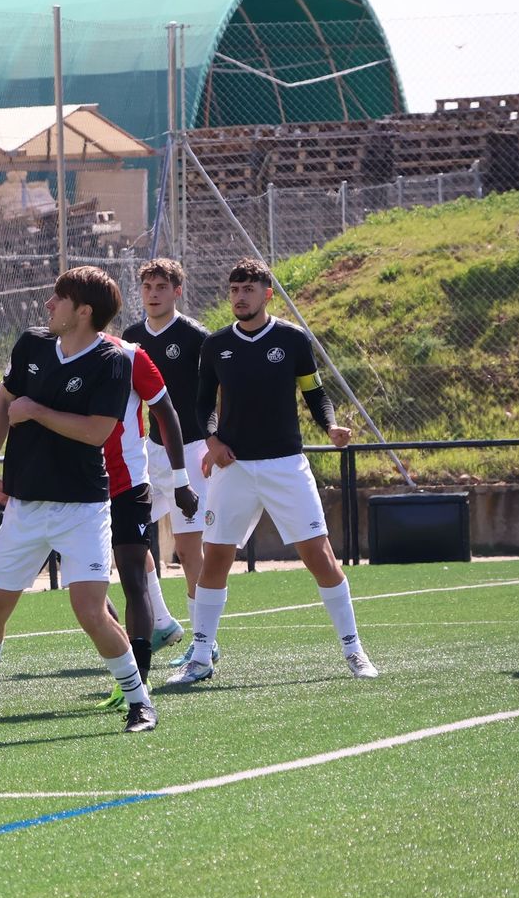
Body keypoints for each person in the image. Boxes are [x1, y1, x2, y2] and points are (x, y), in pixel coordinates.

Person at [0, 266, 160, 737]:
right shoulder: (32, 344)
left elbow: (97, 431)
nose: (48, 305)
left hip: (82, 507)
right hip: (25, 505)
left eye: (59, 298)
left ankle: (140, 702)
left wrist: (37, 412)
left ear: (84, 311)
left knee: (90, 610)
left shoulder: (112, 361)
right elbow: (1, 401)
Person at [169, 258, 378, 685]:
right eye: (234, 289)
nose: (240, 296)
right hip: (234, 469)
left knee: (319, 556)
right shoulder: (215, 345)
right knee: (216, 560)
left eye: (248, 289)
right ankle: (202, 657)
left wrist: (330, 425)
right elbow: (203, 403)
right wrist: (212, 440)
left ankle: (354, 650)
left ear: (267, 294)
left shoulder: (293, 339)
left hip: (285, 465)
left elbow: (315, 392)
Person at [93, 335, 198, 722]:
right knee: (84, 588)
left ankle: (136, 684)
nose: (51, 307)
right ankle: (126, 674)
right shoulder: (54, 352)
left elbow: (166, 412)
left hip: (128, 485)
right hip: (75, 490)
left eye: (60, 299)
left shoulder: (130, 354)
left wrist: (181, 478)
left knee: (134, 578)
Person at [122, 258, 214, 670]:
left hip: (191, 450)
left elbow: (218, 391)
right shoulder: (130, 338)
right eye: (147, 287)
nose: (153, 293)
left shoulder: (195, 336)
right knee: (129, 537)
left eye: (162, 286)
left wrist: (217, 440)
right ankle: (161, 622)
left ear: (177, 291)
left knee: (188, 547)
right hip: (146, 452)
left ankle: (204, 641)